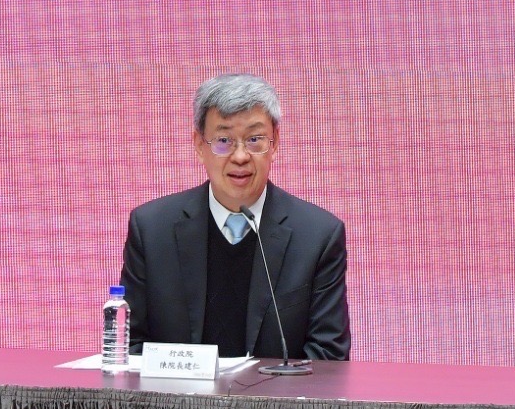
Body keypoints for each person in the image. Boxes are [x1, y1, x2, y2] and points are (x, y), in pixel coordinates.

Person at [119, 72, 350, 360]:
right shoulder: (152, 230)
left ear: (275, 143)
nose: (240, 156)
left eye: (254, 139)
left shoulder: (317, 236)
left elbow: (328, 357)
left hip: (275, 391)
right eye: (224, 140)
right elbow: (129, 349)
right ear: (199, 145)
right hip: (177, 390)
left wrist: (255, 386)